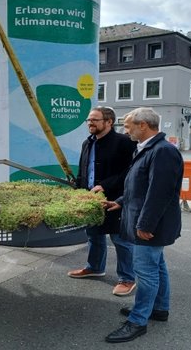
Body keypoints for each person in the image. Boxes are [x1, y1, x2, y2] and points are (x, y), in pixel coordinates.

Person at [103, 107, 183, 343]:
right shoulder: (149, 149)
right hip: (146, 221)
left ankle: (138, 321)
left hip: (149, 225)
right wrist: (120, 202)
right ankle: (158, 309)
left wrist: (145, 224)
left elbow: (159, 193)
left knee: (146, 273)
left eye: (127, 126)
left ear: (143, 126)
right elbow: (138, 187)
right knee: (156, 267)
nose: (125, 130)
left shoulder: (162, 151)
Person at [67, 106, 137, 296]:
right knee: (94, 234)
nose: (90, 123)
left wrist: (106, 185)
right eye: (89, 120)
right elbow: (84, 169)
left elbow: (130, 171)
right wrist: (80, 190)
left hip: (116, 198)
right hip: (91, 198)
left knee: (120, 240)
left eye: (95, 120)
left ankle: (127, 278)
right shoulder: (87, 142)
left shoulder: (124, 142)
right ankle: (95, 267)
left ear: (109, 122)